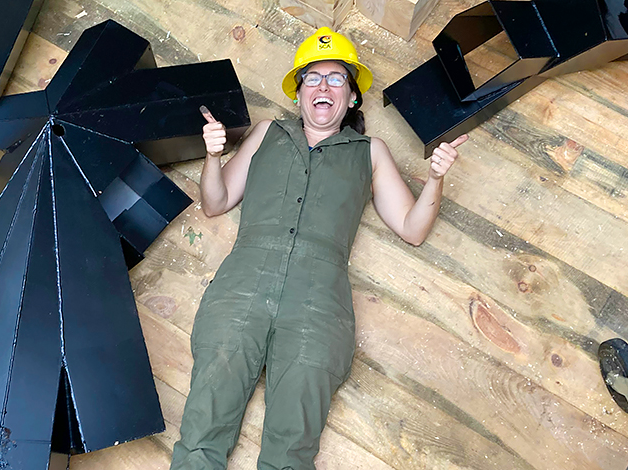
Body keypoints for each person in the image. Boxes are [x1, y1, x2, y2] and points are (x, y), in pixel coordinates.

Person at [170, 27, 468, 470]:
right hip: (241, 289)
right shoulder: (268, 133)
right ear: (299, 94)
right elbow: (214, 203)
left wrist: (437, 181)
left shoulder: (371, 151)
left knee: (292, 450)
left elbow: (413, 228)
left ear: (351, 98)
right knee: (201, 433)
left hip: (318, 305)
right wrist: (212, 156)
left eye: (335, 79)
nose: (323, 86)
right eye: (312, 78)